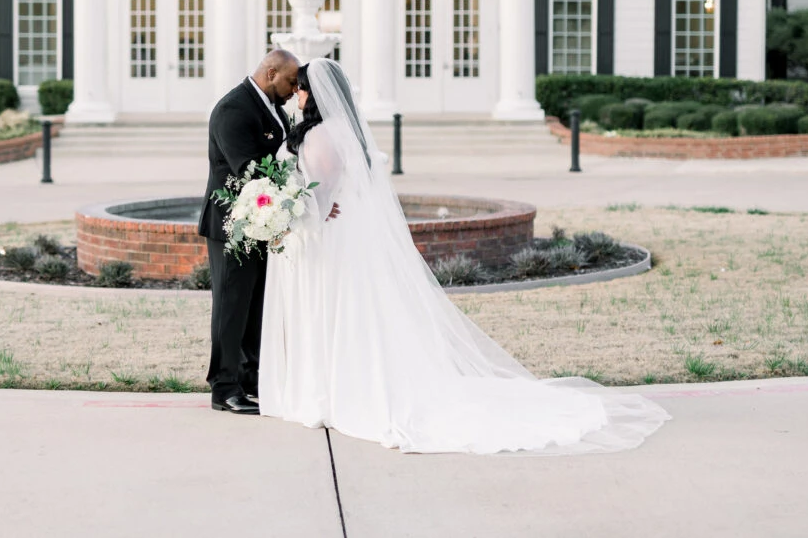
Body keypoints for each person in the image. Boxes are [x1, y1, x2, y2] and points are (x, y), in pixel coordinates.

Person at [259, 58, 671, 454]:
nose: (296, 94)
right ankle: (336, 386)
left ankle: (336, 392)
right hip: (335, 235)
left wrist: (294, 210)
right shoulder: (339, 131)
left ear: (316, 95)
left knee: (341, 310)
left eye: (301, 88)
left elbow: (322, 195)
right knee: (348, 312)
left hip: (332, 237)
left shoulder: (322, 135)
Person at [199, 49, 302, 415]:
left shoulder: (274, 108)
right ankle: (224, 388)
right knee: (230, 307)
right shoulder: (233, 109)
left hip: (260, 223)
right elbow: (249, 170)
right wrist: (296, 192)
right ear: (270, 72)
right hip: (231, 226)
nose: (294, 88)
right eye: (291, 81)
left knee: (254, 306)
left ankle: (248, 379)